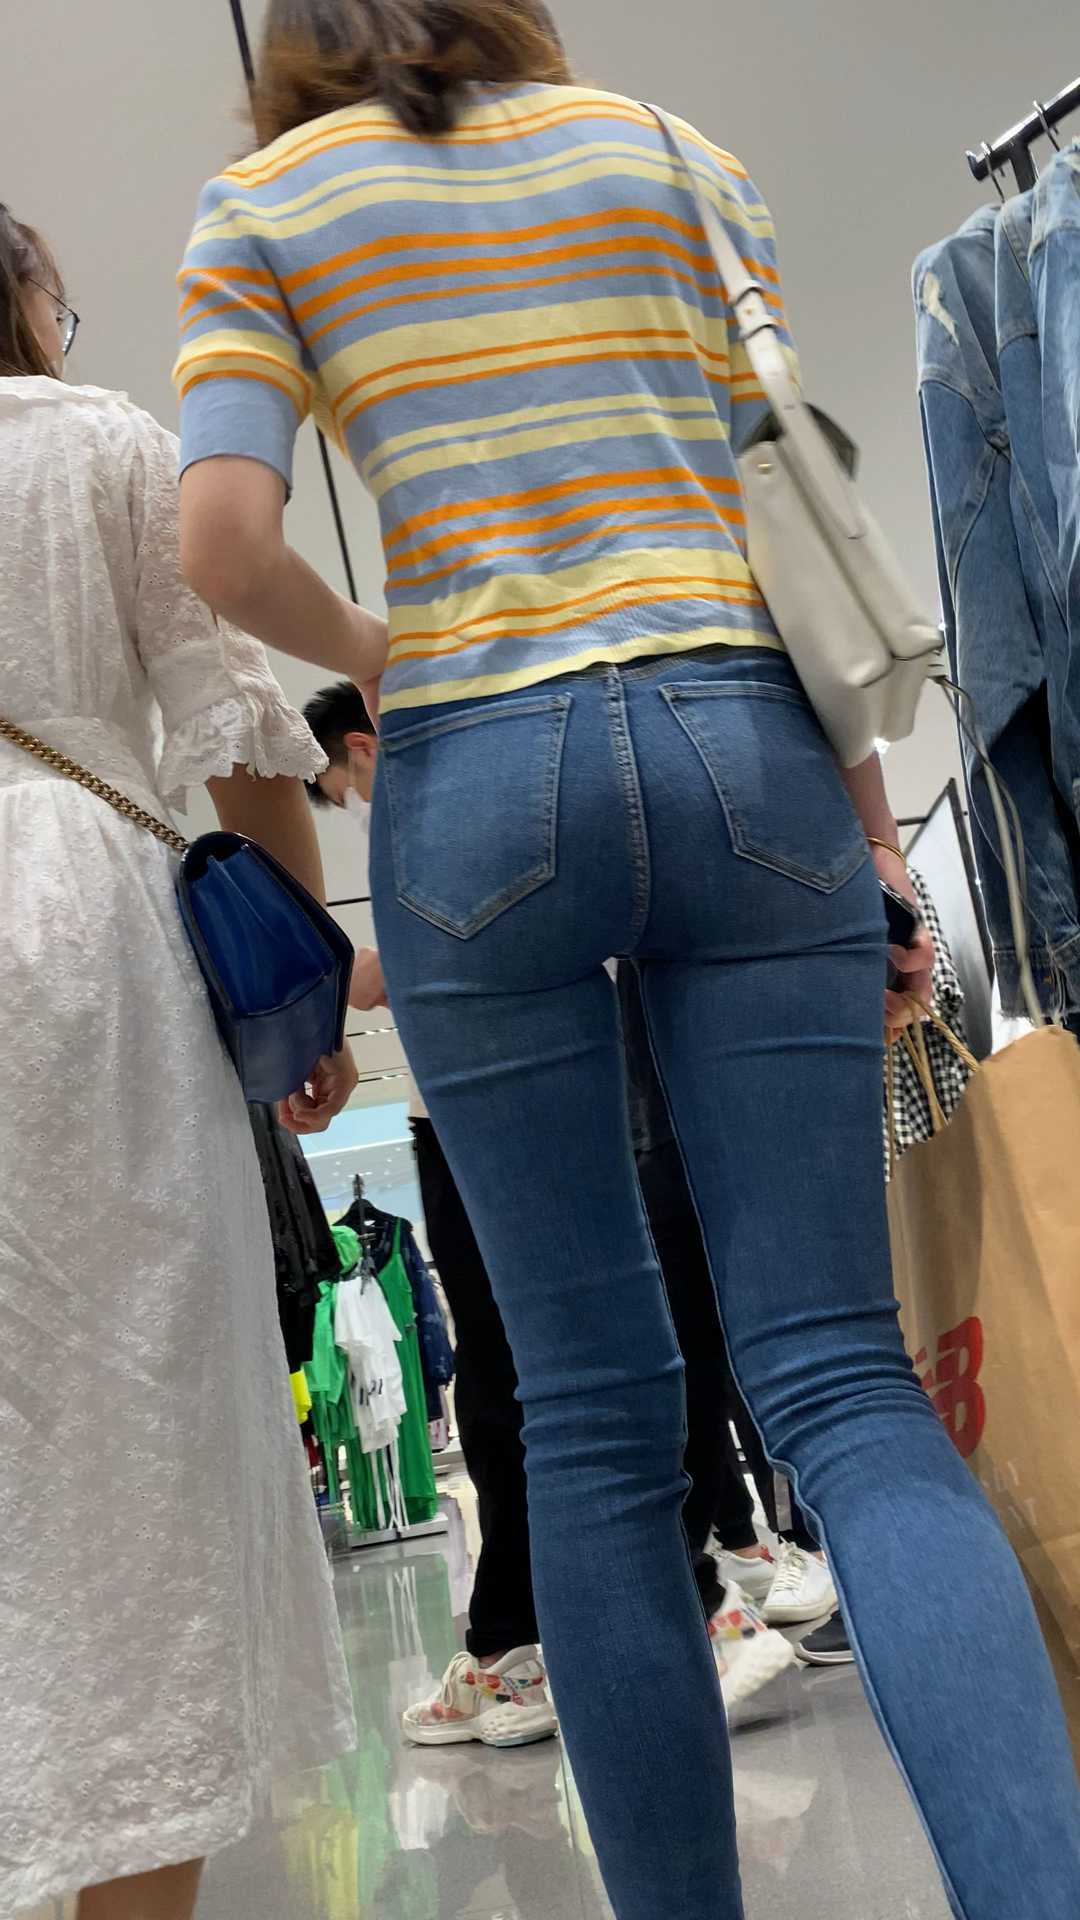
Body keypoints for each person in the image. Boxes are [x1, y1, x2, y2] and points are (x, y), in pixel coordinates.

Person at [174, 8, 1080, 1915]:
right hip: (747, 741)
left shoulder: (266, 205)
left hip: (478, 791)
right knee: (842, 1384)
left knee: (590, 1418)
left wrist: (393, 647)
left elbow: (224, 544)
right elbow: (792, 524)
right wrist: (867, 844)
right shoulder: (672, 154)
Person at [0, 208, 361, 1920]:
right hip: (80, 949)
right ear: (24, 303)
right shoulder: (96, 447)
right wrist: (307, 992)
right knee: (132, 1439)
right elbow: (231, 731)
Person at [304, 681, 797, 1734]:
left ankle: (682, 1612)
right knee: (529, 1372)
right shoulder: (506, 775)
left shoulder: (456, 799)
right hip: (500, 1095)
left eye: (346, 788)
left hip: (511, 1094)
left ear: (362, 745)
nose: (357, 808)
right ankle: (545, 1633)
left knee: (559, 1369)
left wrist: (361, 975)